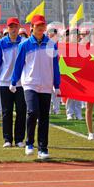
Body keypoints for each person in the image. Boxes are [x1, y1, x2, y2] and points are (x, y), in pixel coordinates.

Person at [11, 15, 60, 158]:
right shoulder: (24, 45)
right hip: (30, 83)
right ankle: (29, 143)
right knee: (32, 112)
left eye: (42, 26)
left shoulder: (51, 44)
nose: (40, 28)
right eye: (37, 26)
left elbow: (55, 66)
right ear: (32, 27)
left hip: (46, 84)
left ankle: (43, 148)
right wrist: (14, 81)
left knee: (44, 116)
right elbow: (19, 65)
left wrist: (57, 84)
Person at [0, 17, 27, 148]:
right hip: (5, 82)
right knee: (7, 112)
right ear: (7, 28)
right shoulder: (0, 43)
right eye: (11, 27)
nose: (13, 29)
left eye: (15, 27)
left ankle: (19, 139)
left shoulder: (24, 42)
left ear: (19, 28)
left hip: (21, 83)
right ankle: (7, 139)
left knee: (22, 111)